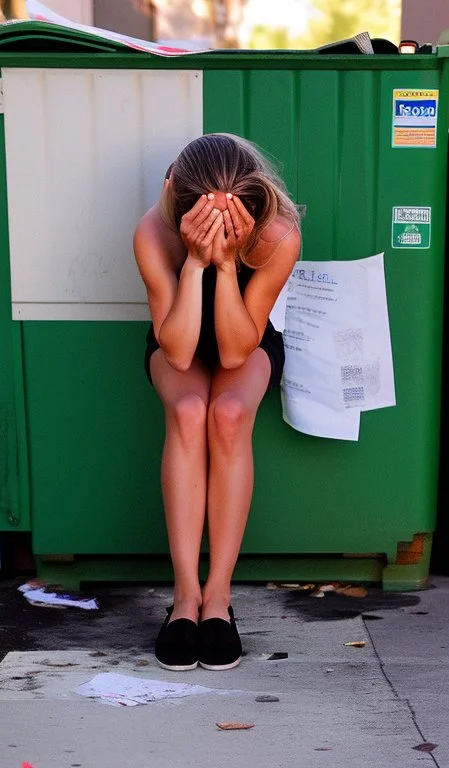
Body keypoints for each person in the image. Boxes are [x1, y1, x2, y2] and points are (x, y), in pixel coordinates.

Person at [133, 133, 302, 671]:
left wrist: (227, 265)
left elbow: (234, 351)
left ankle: (218, 599)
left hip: (244, 334)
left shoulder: (278, 234)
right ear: (172, 193)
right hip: (177, 333)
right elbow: (179, 353)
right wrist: (194, 264)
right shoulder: (154, 232)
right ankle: (185, 597)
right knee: (188, 412)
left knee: (227, 416)